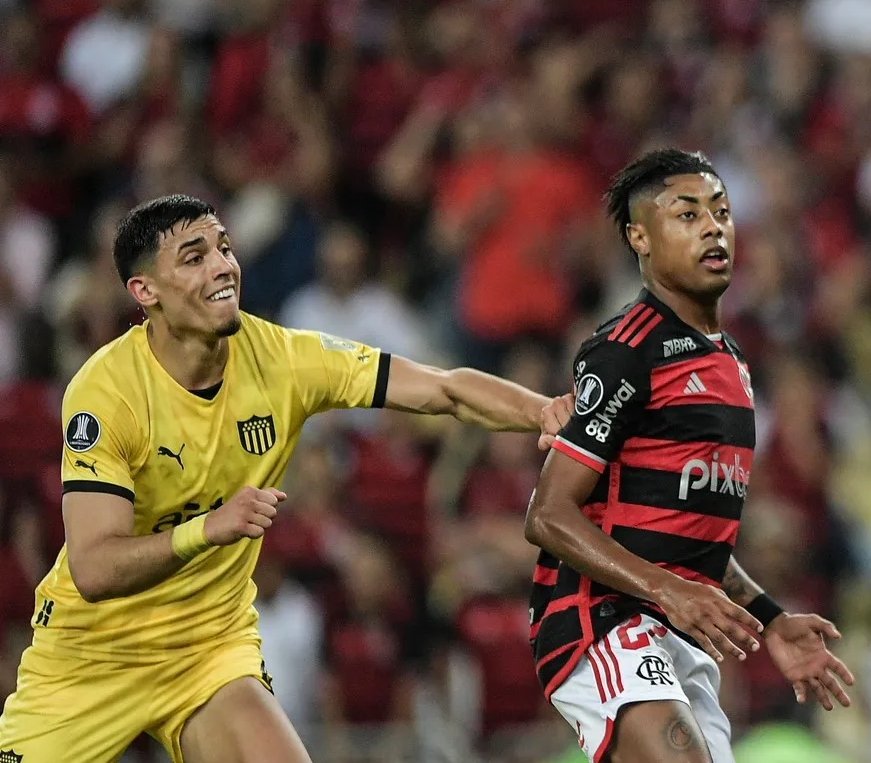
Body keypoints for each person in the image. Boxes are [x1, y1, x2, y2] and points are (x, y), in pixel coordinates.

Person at [0, 194, 573, 762]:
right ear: (144, 291)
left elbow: (443, 388)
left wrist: (544, 411)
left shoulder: (284, 359)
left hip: (205, 651)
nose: (223, 266)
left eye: (224, 249)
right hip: (95, 655)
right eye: (194, 256)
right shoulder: (107, 392)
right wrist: (207, 530)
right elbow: (95, 568)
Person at [525, 149, 854, 763]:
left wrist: (771, 619)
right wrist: (668, 591)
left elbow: (689, 541)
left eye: (722, 211)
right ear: (640, 238)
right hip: (601, 619)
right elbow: (546, 515)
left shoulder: (731, 364)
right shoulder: (626, 350)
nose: (712, 226)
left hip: (681, 632)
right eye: (687, 214)